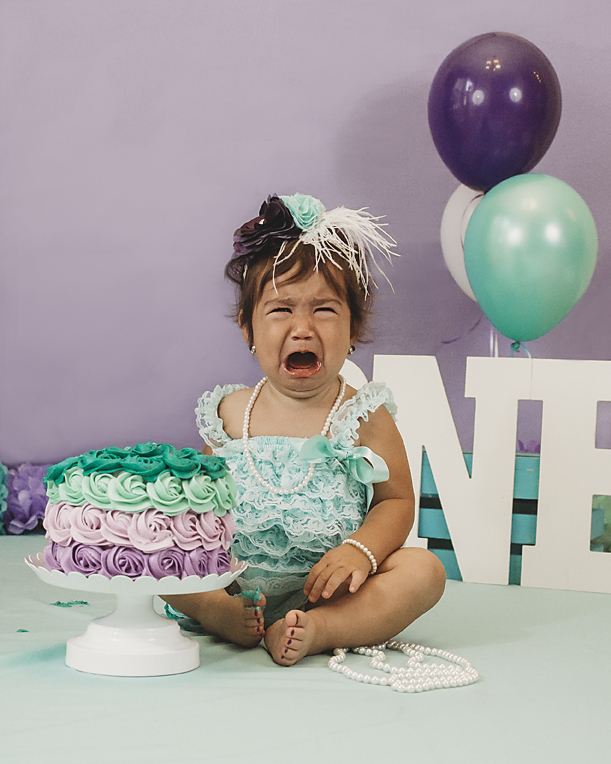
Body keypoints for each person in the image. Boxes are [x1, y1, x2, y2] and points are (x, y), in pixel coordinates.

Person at [163, 193, 445, 666]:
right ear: (248, 329)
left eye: (324, 310)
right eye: (281, 310)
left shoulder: (363, 414)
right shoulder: (229, 412)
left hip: (332, 589)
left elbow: (395, 501)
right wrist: (201, 566)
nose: (302, 328)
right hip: (231, 581)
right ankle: (220, 614)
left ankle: (320, 629)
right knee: (159, 548)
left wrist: (360, 551)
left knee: (424, 570)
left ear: (353, 330)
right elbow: (203, 507)